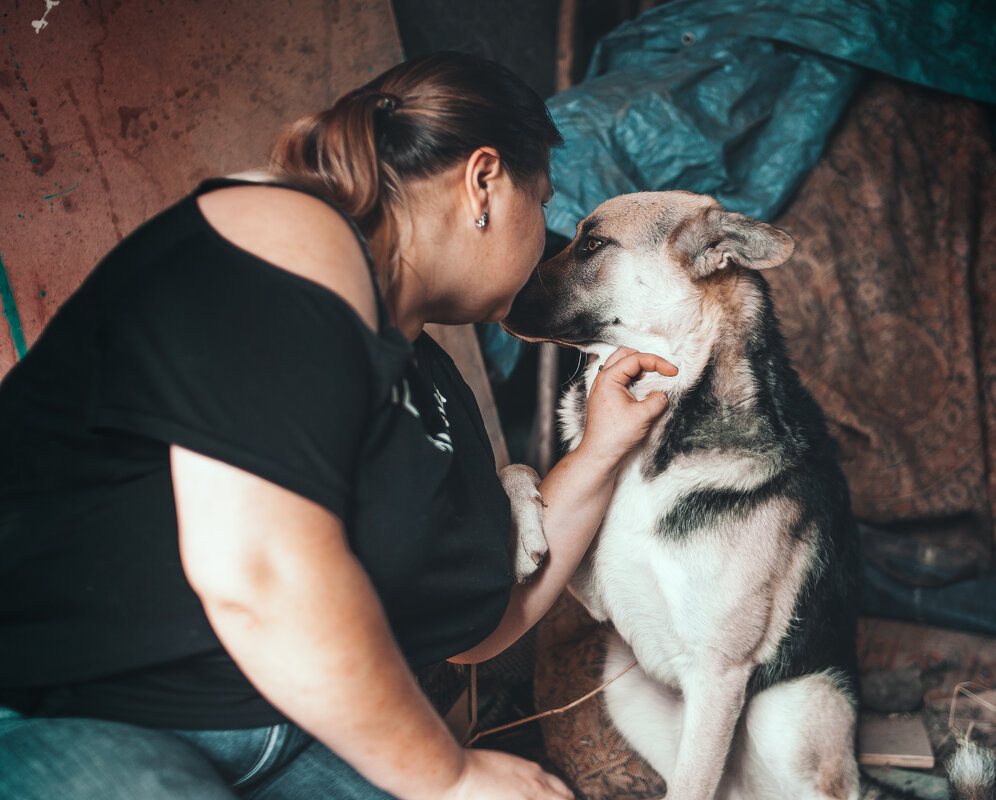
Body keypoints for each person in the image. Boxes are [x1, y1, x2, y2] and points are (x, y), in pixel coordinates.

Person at [0, 51, 676, 799]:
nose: (542, 236)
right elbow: (256, 572)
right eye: (541, 201)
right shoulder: (286, 229)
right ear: (483, 181)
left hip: (284, 729)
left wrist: (603, 449)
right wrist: (447, 775)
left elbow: (489, 621)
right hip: (66, 709)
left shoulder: (427, 376)